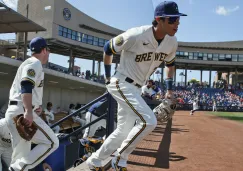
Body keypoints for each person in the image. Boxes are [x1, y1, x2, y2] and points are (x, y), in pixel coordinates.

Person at [86, 1, 187, 170]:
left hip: (136, 88)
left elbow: (170, 64)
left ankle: (94, 161)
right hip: (121, 82)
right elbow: (108, 48)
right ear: (159, 19)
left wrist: (169, 90)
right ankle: (120, 159)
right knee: (149, 121)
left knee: (123, 131)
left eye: (178, 19)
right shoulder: (136, 35)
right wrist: (107, 77)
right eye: (172, 20)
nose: (177, 23)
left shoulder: (172, 42)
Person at [5, 37, 59, 171]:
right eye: (48, 50)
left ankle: (15, 168)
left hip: (16, 110)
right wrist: (29, 110)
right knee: (52, 142)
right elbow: (26, 85)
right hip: (20, 111)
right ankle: (16, 169)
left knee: (20, 155)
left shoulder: (29, 62)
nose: (48, 54)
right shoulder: (35, 63)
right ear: (44, 50)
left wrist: (34, 107)